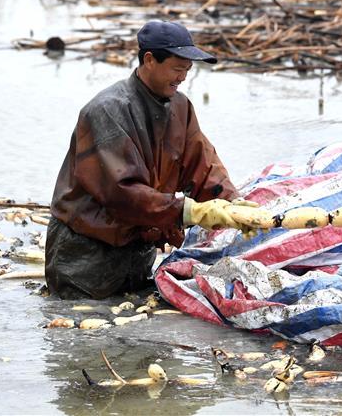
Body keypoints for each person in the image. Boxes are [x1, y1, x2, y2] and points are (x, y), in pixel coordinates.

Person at [45, 20, 253, 299]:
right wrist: (190, 212)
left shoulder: (181, 107)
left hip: (137, 251)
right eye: (177, 69)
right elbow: (121, 193)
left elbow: (202, 162)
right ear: (150, 60)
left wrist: (232, 202)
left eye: (187, 71)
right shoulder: (107, 110)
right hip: (85, 257)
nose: (182, 78)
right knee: (84, 332)